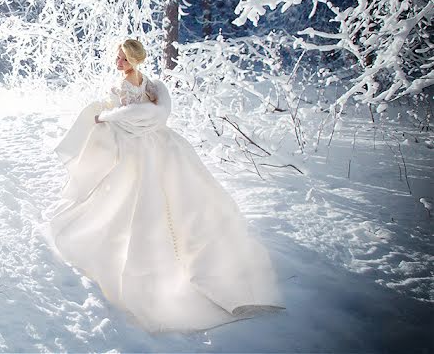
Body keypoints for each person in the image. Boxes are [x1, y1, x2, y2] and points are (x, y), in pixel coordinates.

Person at [46, 39, 285, 333]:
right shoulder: (139, 87)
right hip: (144, 141)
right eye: (117, 58)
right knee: (135, 196)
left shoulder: (146, 85)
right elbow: (143, 115)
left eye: (122, 58)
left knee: (181, 193)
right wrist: (129, 116)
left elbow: (145, 114)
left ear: (134, 60)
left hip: (154, 142)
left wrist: (108, 115)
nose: (117, 62)